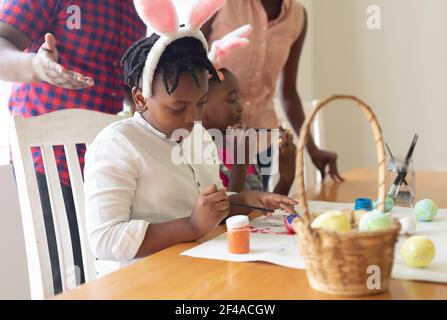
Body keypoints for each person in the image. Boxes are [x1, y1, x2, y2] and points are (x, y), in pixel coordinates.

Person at [84, 0, 298, 276]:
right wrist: (192, 227)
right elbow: (104, 241)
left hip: (192, 264)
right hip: (139, 280)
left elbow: (202, 211)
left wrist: (247, 199)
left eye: (201, 104)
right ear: (140, 98)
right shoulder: (118, 144)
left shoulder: (195, 136)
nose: (193, 118)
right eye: (178, 107)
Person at [0, 0, 146, 293]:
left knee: (109, 272)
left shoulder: (135, 7)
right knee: (68, 280)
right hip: (50, 159)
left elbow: (124, 83)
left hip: (104, 162)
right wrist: (36, 66)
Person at [202, 0, 344, 185]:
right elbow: (188, 71)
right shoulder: (219, 4)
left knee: (257, 211)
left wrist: (311, 148)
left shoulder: (297, 17)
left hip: (262, 142)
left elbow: (288, 93)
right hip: (212, 141)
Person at [202, 67, 296, 195]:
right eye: (232, 99)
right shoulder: (203, 161)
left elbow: (262, 211)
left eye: (239, 99)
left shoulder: (241, 151)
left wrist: (286, 179)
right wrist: (240, 163)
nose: (240, 107)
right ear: (201, 108)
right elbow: (230, 212)